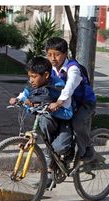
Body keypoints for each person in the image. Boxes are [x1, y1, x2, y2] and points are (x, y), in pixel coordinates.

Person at [9, 56, 74, 187]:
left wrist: (55, 106)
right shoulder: (32, 85)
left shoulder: (58, 87)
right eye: (29, 76)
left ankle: (67, 156)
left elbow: (68, 111)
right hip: (46, 121)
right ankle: (50, 168)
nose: (31, 80)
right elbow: (25, 94)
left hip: (62, 122)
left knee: (60, 147)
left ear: (46, 75)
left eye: (34, 76)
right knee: (44, 126)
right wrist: (18, 99)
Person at [46, 37, 97, 163]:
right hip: (67, 106)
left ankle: (88, 147)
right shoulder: (49, 69)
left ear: (65, 54)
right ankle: (61, 153)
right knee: (47, 122)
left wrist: (59, 101)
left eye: (57, 55)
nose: (53, 58)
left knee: (77, 122)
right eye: (49, 55)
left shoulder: (73, 68)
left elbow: (70, 86)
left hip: (83, 103)